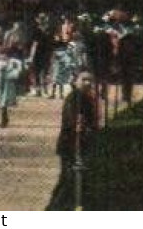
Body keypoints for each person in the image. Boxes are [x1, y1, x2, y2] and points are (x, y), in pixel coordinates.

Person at [55, 73, 99, 206]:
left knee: (77, 179)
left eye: (90, 80)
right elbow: (72, 119)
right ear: (76, 81)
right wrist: (79, 125)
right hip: (71, 143)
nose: (87, 83)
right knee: (69, 179)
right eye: (83, 80)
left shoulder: (87, 98)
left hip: (82, 143)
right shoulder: (74, 98)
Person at [0, 49, 24, 127]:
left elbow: (19, 69)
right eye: (1, 55)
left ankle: (4, 118)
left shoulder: (14, 62)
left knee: (4, 101)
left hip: (9, 84)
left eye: (4, 55)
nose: (2, 57)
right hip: (1, 85)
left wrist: (15, 72)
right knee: (1, 102)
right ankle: (4, 117)